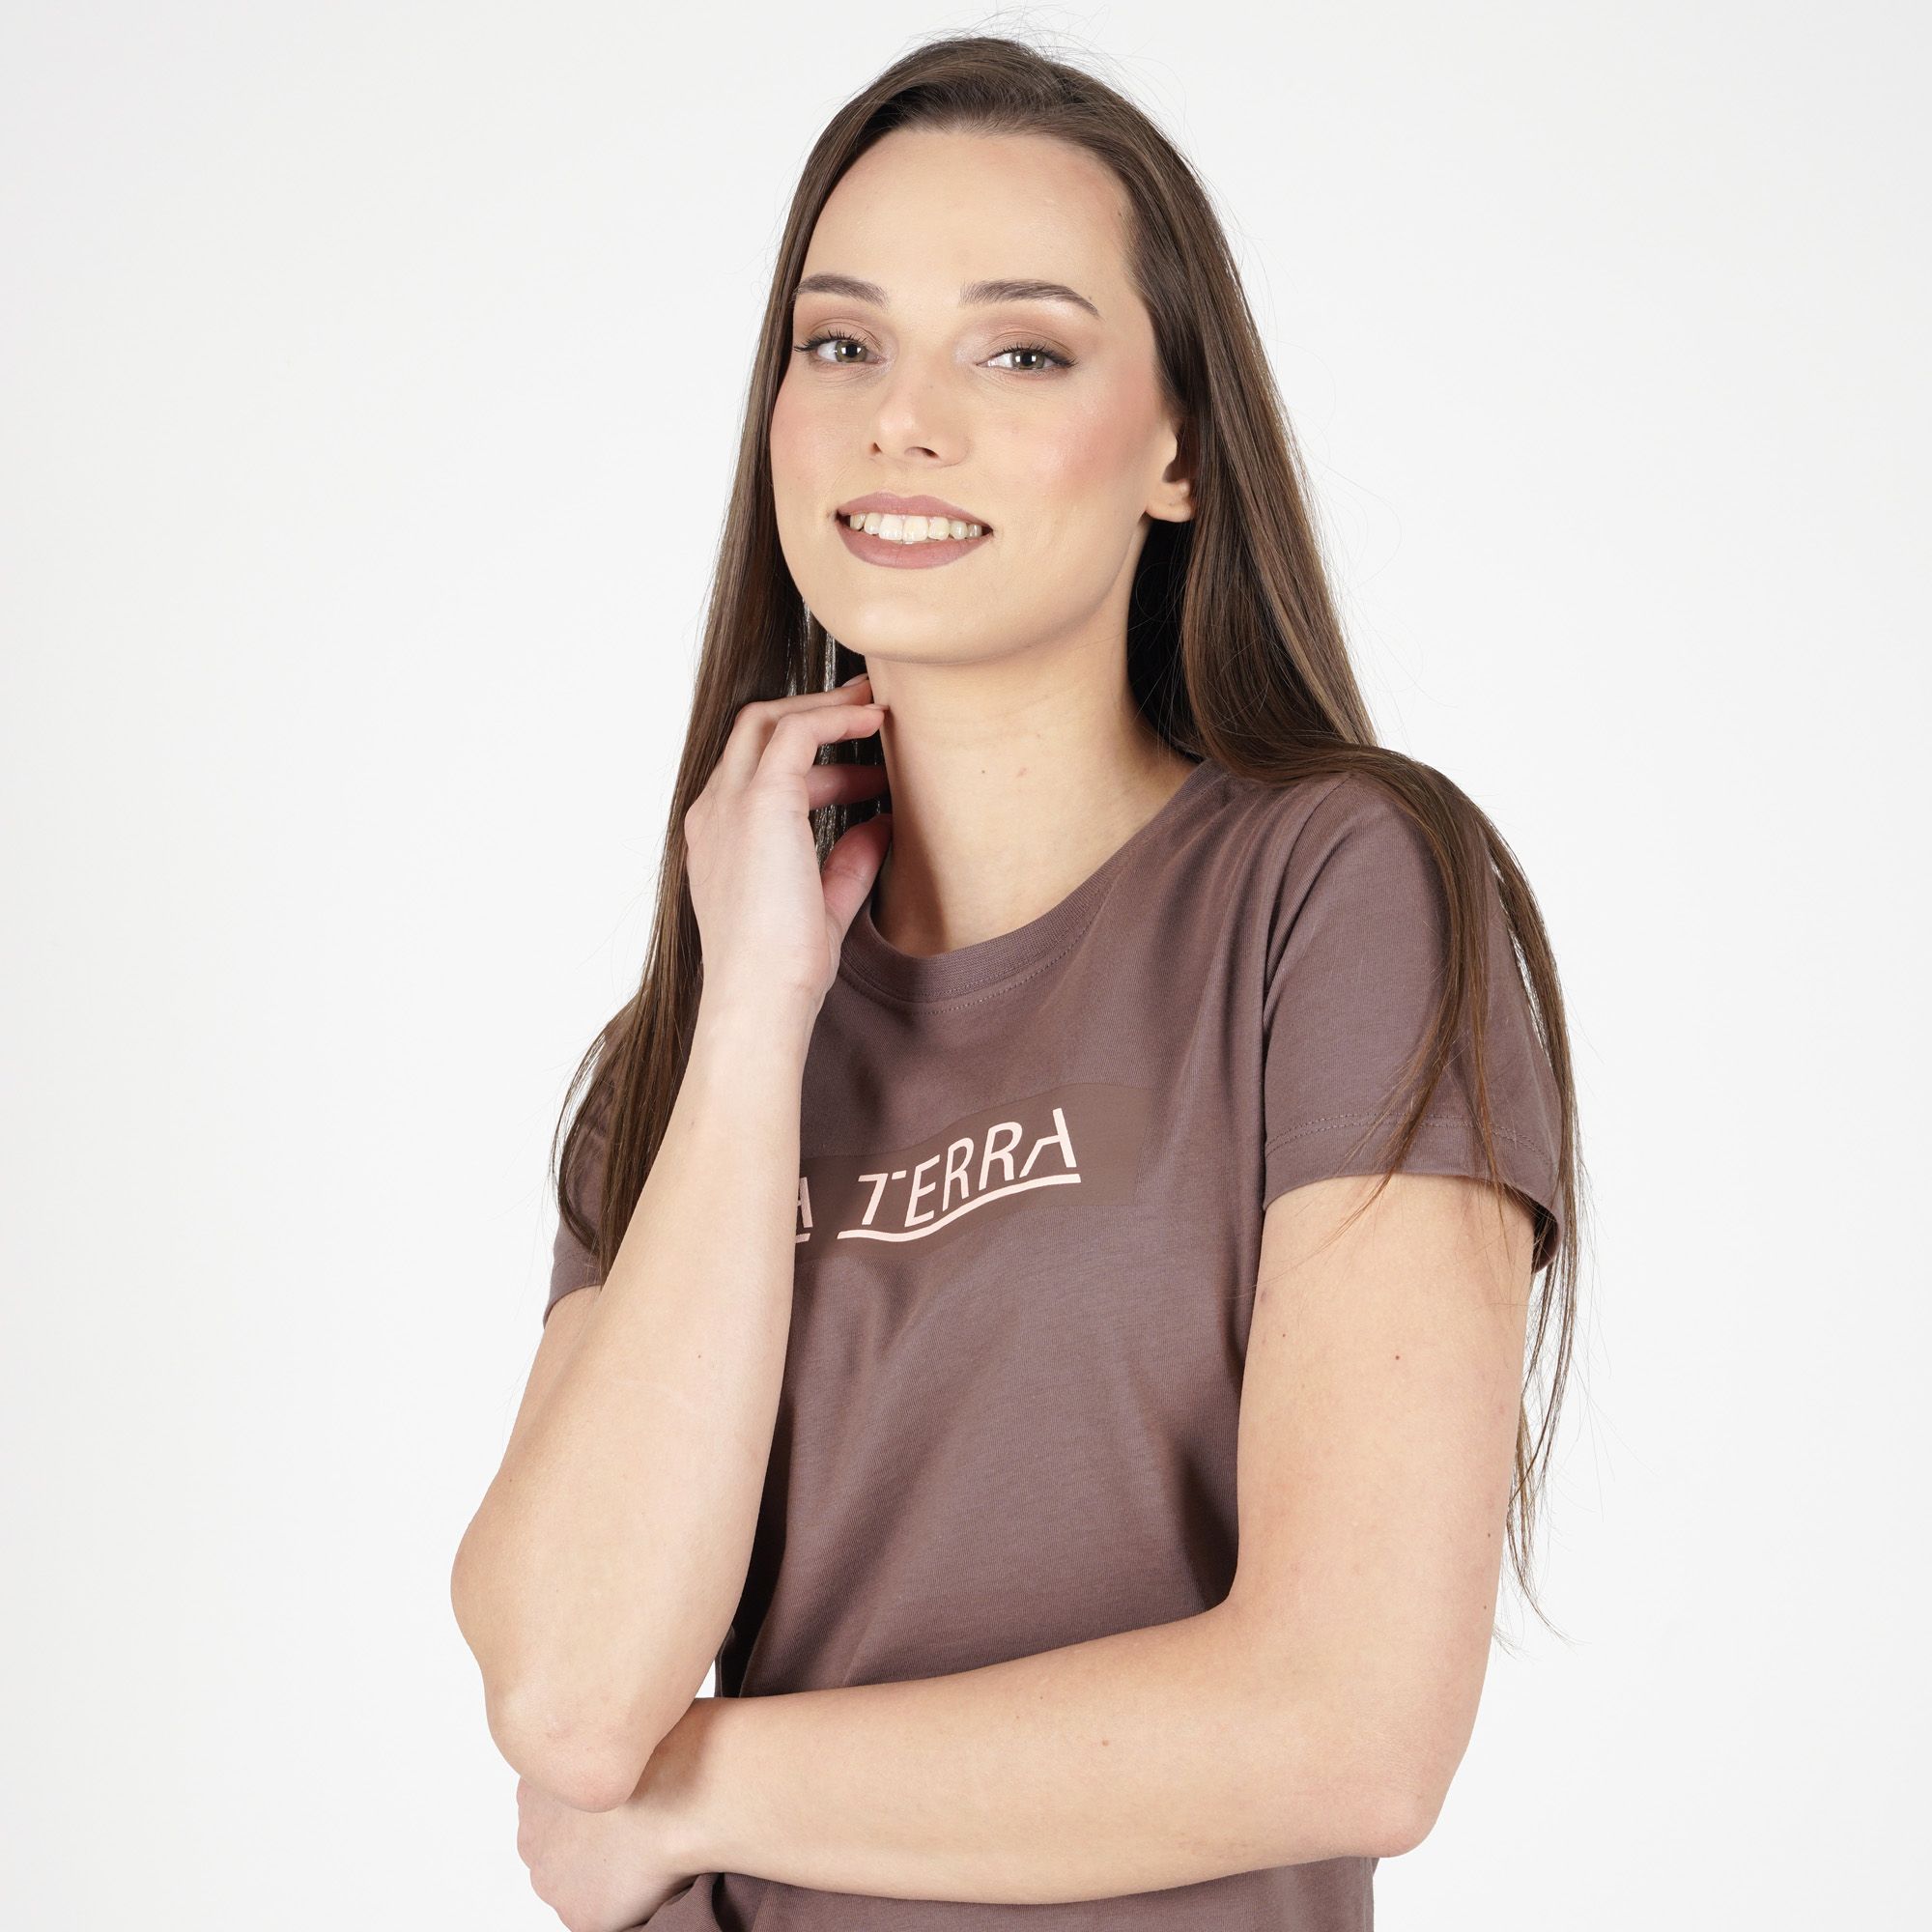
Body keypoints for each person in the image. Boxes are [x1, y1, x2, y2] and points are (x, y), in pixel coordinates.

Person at [452, 31, 1583, 1932]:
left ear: (1179, 453)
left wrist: (689, 1792)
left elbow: (1351, 1724)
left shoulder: (1341, 896)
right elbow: (567, 1695)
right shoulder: (687, 1056)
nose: (902, 419)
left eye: (1021, 352)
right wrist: (750, 1022)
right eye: (841, 343)